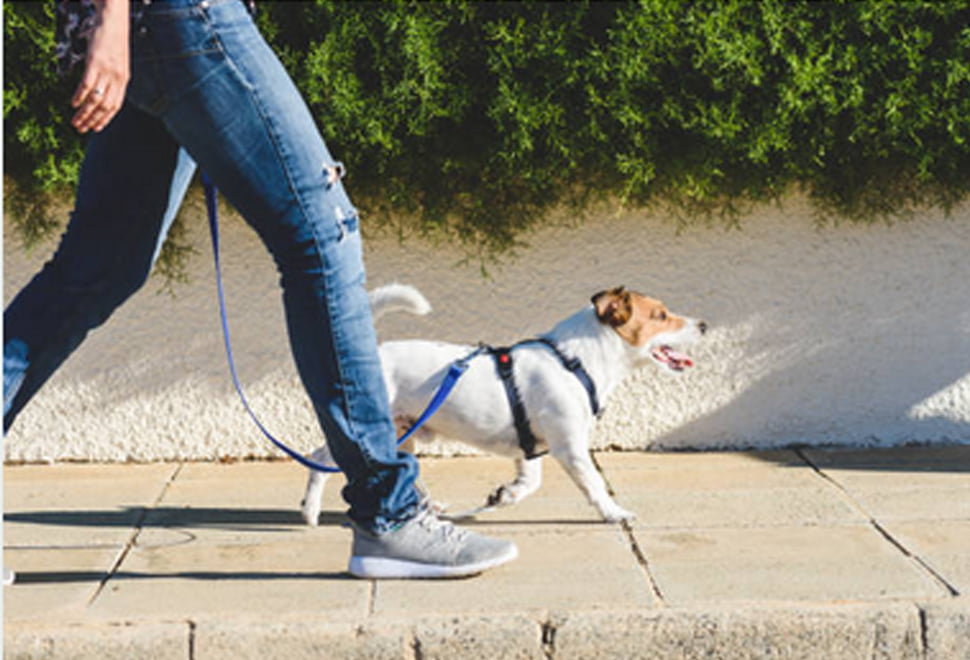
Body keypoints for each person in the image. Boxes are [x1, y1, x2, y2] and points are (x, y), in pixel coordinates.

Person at [3, 0, 517, 580]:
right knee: (324, 238)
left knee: (97, 270)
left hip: (157, 26)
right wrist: (115, 17)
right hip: (182, 16)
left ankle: (389, 511)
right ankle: (390, 513)